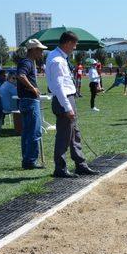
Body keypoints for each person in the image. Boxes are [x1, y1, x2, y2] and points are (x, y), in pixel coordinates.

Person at [46, 31, 97, 178]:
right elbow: (59, 86)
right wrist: (67, 107)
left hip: (67, 98)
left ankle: (80, 164)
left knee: (75, 134)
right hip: (64, 100)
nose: (74, 48)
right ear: (68, 43)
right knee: (64, 136)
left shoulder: (58, 57)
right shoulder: (58, 60)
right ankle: (60, 169)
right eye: (74, 45)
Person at [17, 38, 47, 170]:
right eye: (40, 50)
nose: (42, 53)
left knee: (28, 132)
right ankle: (30, 161)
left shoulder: (28, 62)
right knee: (34, 131)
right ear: (33, 50)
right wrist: (32, 88)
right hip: (29, 100)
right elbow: (21, 76)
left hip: (26, 100)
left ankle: (27, 160)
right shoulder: (27, 62)